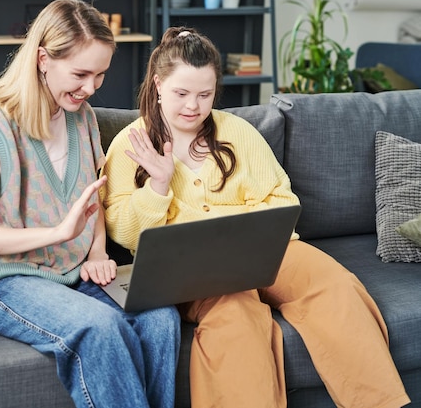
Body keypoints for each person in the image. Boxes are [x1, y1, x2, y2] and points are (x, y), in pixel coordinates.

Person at [100, 26, 411, 408]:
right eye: (181, 94)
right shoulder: (129, 144)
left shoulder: (238, 132)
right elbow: (126, 233)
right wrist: (158, 187)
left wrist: (246, 232)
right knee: (238, 317)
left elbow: (280, 198)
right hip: (191, 268)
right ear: (159, 84)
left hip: (266, 251)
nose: (193, 107)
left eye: (205, 95)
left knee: (334, 285)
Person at [0, 0, 180, 408]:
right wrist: (58, 233)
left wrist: (95, 250)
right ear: (43, 59)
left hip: (73, 269)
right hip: (8, 277)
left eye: (100, 75)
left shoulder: (82, 117)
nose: (90, 87)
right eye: (80, 74)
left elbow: (92, 196)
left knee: (161, 317)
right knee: (101, 327)